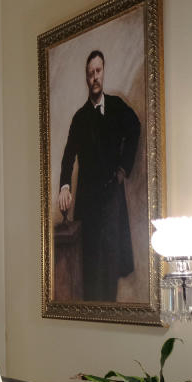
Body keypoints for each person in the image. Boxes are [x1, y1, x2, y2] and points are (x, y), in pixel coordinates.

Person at [57, 50, 140, 302]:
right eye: (90, 73)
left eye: (98, 71)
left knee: (111, 263)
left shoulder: (116, 106)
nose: (95, 77)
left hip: (112, 199)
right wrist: (64, 186)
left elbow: (135, 127)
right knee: (91, 267)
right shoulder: (79, 118)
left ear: (103, 72)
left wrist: (124, 167)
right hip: (87, 202)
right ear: (86, 78)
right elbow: (68, 156)